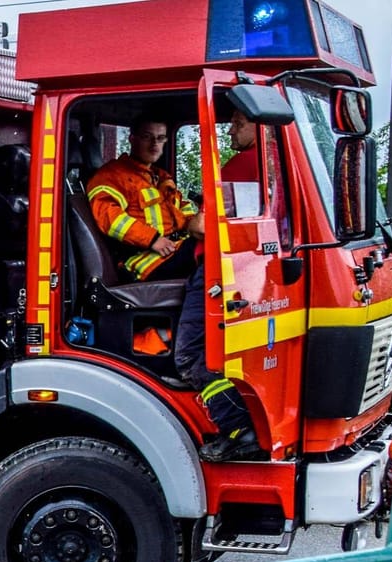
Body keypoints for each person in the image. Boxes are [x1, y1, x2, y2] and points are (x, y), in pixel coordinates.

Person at [88, 119, 262, 462]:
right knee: (195, 348)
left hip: (173, 250)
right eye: (149, 138)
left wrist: (192, 222)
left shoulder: (158, 177)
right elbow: (109, 217)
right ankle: (238, 423)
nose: (156, 145)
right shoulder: (111, 177)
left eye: (162, 139)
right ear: (132, 138)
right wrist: (154, 240)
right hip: (146, 261)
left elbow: (183, 214)